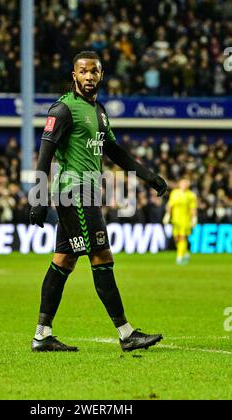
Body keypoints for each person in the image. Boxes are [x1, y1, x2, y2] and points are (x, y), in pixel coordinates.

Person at [30, 51, 167, 352]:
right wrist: (37, 196)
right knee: (102, 256)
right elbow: (45, 152)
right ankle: (126, 333)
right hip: (74, 193)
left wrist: (149, 176)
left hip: (87, 193)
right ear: (74, 75)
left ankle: (42, 335)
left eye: (94, 71)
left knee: (63, 261)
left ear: (101, 75)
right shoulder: (63, 109)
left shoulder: (100, 112)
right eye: (83, 71)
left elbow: (115, 152)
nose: (89, 76)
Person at [163, 178, 198, 264]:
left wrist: (194, 218)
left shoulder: (191, 195)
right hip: (175, 220)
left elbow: (193, 208)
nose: (184, 185)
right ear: (179, 184)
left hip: (185, 220)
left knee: (183, 237)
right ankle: (185, 252)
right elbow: (170, 205)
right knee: (176, 238)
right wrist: (167, 215)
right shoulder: (174, 193)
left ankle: (179, 257)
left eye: (186, 184)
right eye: (183, 183)